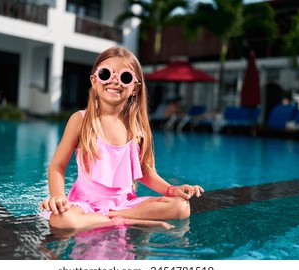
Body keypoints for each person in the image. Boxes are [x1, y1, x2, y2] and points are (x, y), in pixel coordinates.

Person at [39, 46, 204, 233]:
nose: (114, 81)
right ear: (94, 81)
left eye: (125, 77)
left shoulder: (137, 128)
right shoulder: (81, 120)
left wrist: (172, 190)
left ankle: (112, 217)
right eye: (106, 74)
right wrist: (59, 197)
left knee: (181, 207)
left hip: (125, 204)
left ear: (135, 87)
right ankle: (120, 221)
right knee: (63, 220)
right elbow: (57, 166)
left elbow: (146, 172)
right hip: (85, 205)